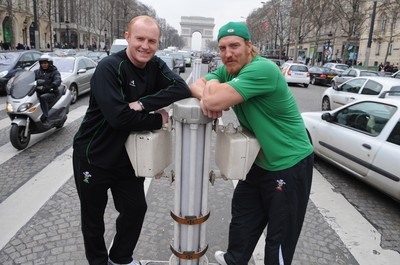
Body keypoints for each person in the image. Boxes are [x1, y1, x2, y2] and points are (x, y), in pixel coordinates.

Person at [190, 22, 314, 265]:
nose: (228, 53)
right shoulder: (230, 71)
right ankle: (234, 260)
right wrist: (212, 92)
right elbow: (194, 84)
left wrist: (212, 93)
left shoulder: (263, 69)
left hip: (288, 162)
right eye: (223, 48)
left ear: (249, 46)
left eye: (234, 46)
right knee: (243, 214)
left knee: (279, 235)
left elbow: (213, 99)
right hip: (259, 159)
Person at [72, 15, 191, 265]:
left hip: (126, 156)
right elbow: (119, 118)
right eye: (140, 39)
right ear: (128, 37)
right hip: (94, 154)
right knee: (92, 218)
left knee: (136, 209)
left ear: (157, 43)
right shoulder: (108, 67)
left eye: (152, 41)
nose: (145, 46)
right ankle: (98, 262)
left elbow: (181, 88)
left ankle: (120, 258)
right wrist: (159, 120)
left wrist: (144, 104)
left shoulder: (155, 65)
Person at [34, 54, 61, 125]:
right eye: (42, 63)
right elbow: (29, 78)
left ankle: (46, 118)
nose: (44, 65)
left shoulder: (55, 72)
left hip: (52, 92)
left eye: (45, 63)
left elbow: (57, 79)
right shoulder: (37, 72)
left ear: (49, 63)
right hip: (39, 91)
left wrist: (52, 85)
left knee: (43, 98)